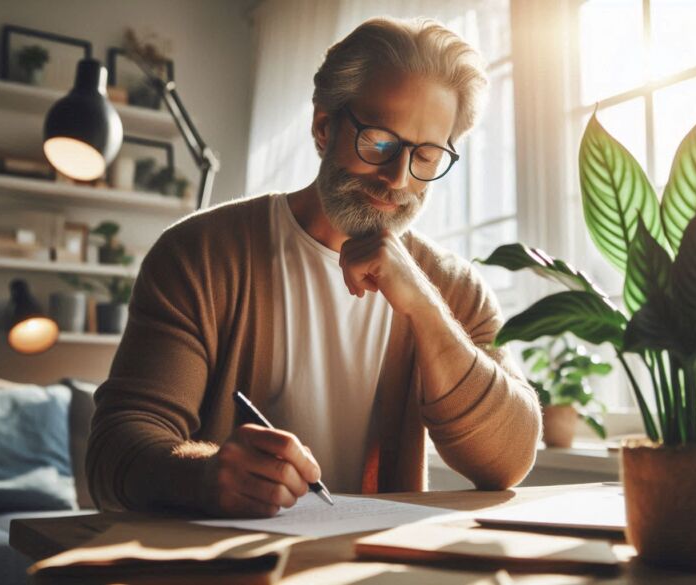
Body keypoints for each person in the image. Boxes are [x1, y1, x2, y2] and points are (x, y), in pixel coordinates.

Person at [87, 16, 541, 518]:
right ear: (324, 128)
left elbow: (510, 461)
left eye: (426, 156)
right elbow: (114, 451)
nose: (398, 178)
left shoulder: (454, 288)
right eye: (380, 142)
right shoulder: (198, 255)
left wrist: (424, 308)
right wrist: (207, 474)